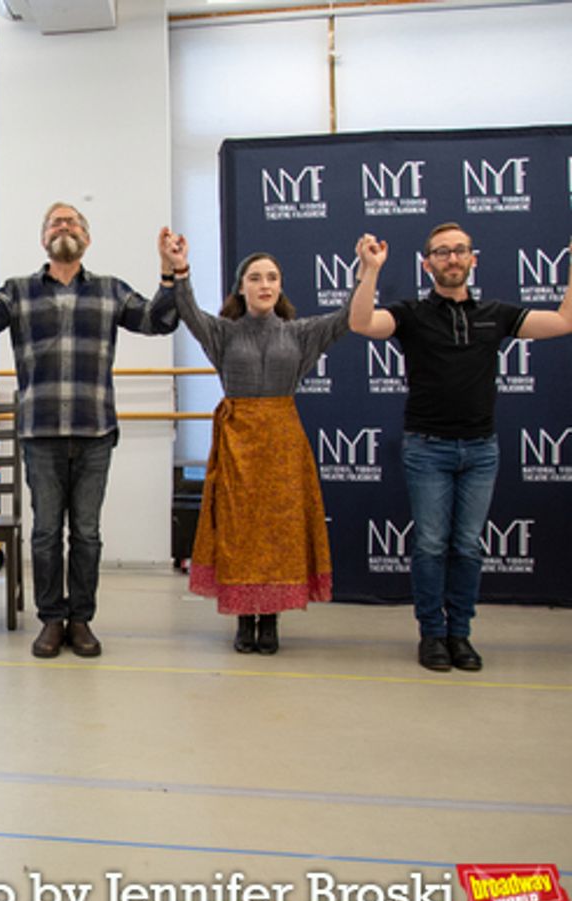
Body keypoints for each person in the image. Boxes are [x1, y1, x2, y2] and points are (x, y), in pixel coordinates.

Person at [0, 203, 183, 659]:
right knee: (45, 533)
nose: (64, 226)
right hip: (40, 432)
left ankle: (80, 619)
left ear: (87, 239)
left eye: (73, 221)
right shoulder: (18, 291)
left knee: (86, 533)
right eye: (55, 222)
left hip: (94, 430)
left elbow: (159, 321)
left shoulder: (110, 289)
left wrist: (167, 271)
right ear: (44, 239)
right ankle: (51, 619)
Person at [349, 225, 572, 672]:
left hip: (481, 450)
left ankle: (460, 634)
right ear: (426, 263)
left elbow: (564, 321)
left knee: (468, 546)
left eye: (459, 250)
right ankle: (432, 634)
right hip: (427, 449)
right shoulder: (411, 313)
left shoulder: (495, 314)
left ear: (473, 259)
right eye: (442, 252)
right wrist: (370, 270)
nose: (451, 258)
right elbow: (362, 323)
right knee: (432, 545)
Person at [172, 241, 348, 655]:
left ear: (280, 287)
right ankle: (243, 618)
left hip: (283, 443)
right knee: (239, 531)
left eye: (271, 278)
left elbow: (344, 320)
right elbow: (189, 312)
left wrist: (367, 273)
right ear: (241, 288)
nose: (264, 285)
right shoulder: (223, 333)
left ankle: (269, 620)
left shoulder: (299, 333)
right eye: (255, 278)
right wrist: (180, 270)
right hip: (237, 444)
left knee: (279, 532)